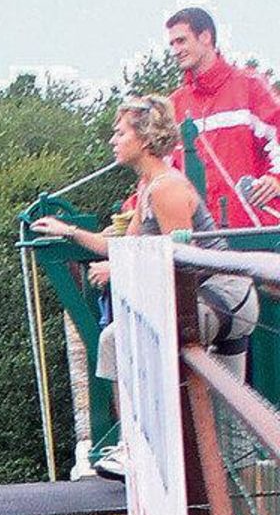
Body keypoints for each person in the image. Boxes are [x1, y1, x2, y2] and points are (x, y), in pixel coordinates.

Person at [32, 95, 259, 478]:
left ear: (144, 138)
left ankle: (134, 448)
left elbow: (181, 262)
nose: (112, 140)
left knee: (115, 339)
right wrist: (69, 231)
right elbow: (130, 246)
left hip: (223, 298)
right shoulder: (148, 186)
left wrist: (118, 272)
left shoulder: (167, 188)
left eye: (119, 132)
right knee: (231, 433)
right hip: (213, 298)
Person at [166, 6, 280, 229]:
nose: (175, 50)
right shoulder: (175, 104)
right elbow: (161, 171)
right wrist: (132, 212)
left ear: (205, 36)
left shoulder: (249, 86)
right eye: (172, 44)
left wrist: (276, 180)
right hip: (200, 239)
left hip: (255, 233)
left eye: (181, 41)